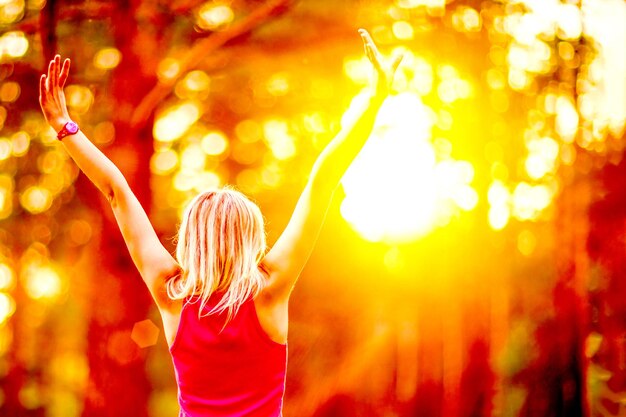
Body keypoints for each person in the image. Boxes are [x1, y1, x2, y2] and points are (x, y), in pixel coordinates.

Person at [39, 29, 402, 417]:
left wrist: (65, 127)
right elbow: (324, 179)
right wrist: (375, 100)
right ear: (250, 237)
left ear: (193, 239)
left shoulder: (172, 293)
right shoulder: (271, 288)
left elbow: (116, 191)